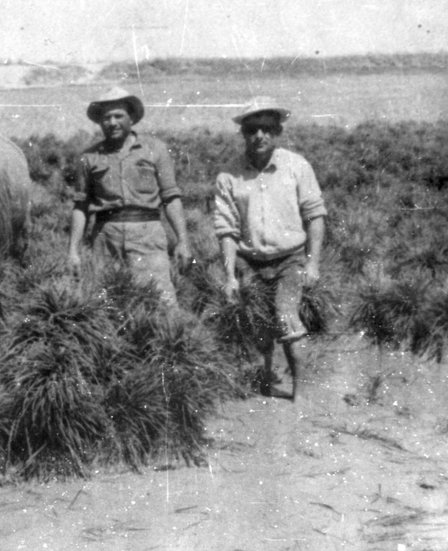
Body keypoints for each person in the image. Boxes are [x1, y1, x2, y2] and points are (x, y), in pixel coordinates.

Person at [213, 96, 327, 400]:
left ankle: (299, 394)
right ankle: (266, 381)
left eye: (266, 129)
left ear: (277, 131)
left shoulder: (296, 166)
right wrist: (230, 276)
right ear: (243, 133)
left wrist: (313, 263)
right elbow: (226, 229)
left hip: (289, 259)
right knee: (259, 324)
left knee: (287, 318)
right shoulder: (229, 175)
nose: (259, 135)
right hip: (249, 261)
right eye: (252, 130)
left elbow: (315, 215)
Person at [67, 87, 192, 313]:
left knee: (161, 304)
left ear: (131, 118)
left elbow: (171, 197)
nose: (112, 122)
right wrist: (73, 251)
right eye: (106, 118)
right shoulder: (89, 158)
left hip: (148, 235)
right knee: (104, 306)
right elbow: (80, 206)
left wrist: (182, 240)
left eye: (118, 116)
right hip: (105, 239)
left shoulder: (155, 149)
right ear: (100, 122)